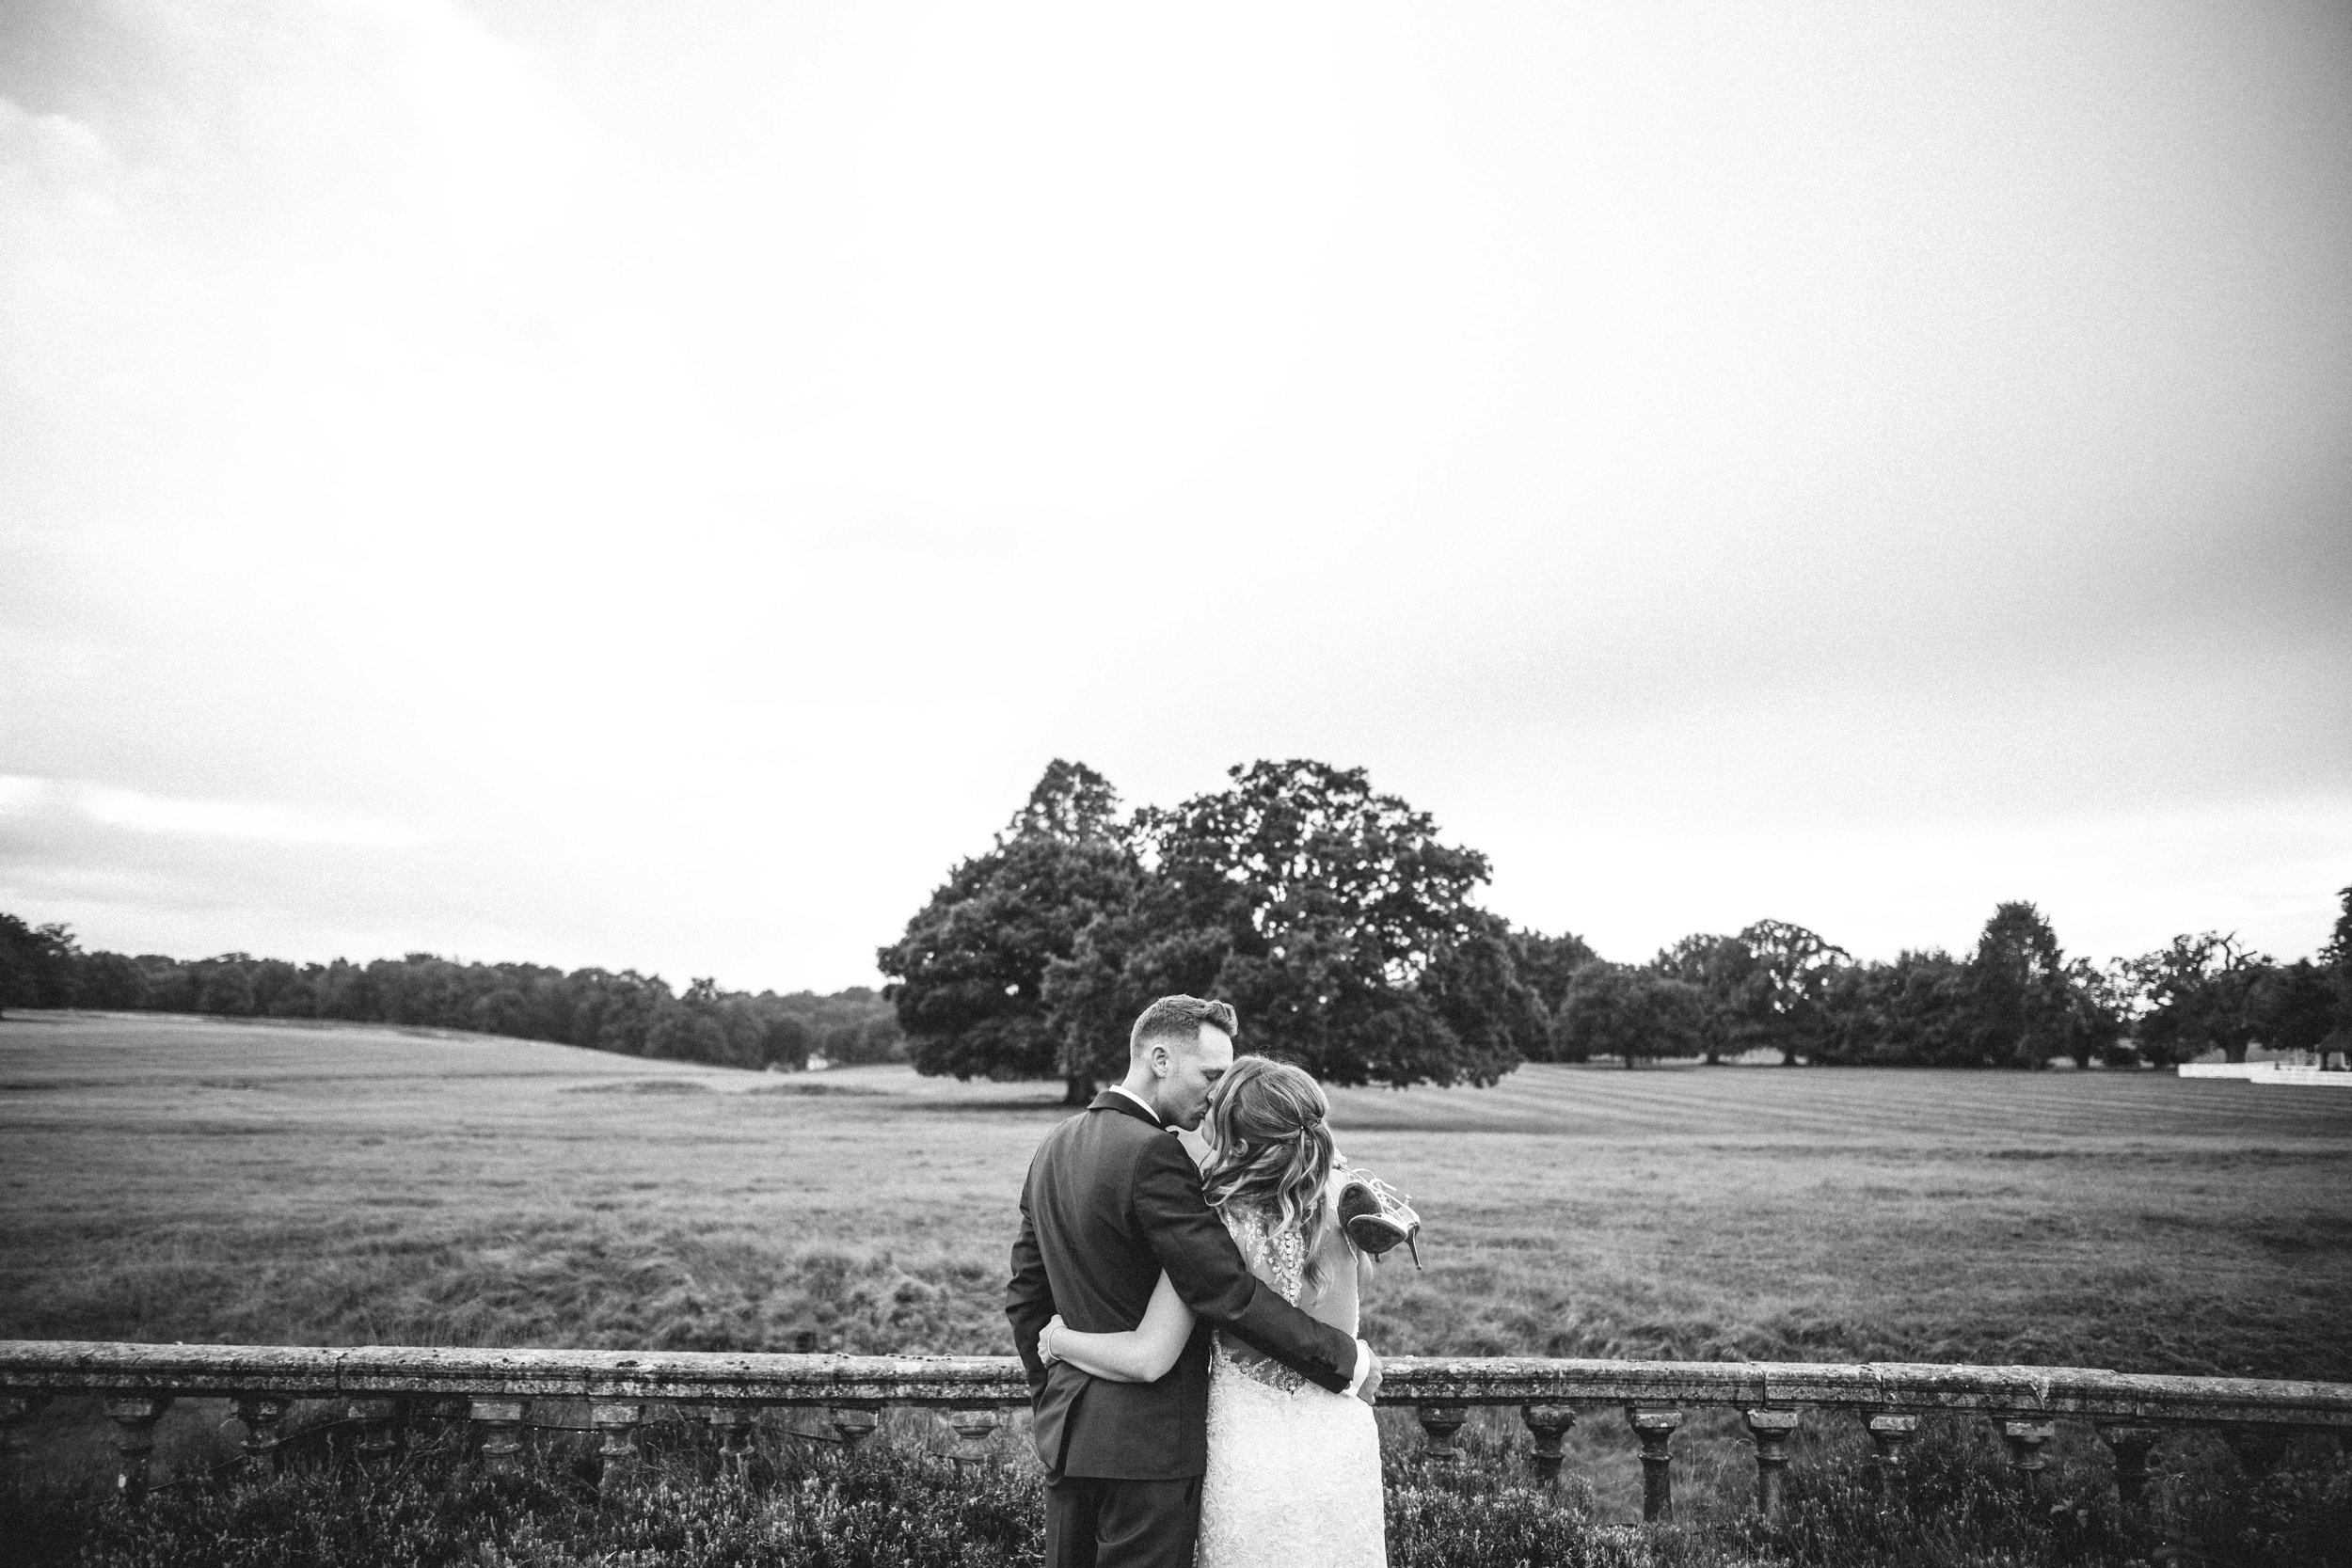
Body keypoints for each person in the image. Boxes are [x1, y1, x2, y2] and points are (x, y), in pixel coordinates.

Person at [1008, 997, 1383, 1568]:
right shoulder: (1156, 1154)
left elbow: (1025, 1299)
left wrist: (1052, 1401)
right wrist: (1346, 1360)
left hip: (1068, 1442)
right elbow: (1224, 1291)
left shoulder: (1053, 1146)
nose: (1215, 1092)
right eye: (1210, 1074)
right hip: (1151, 1451)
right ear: (1160, 1058)